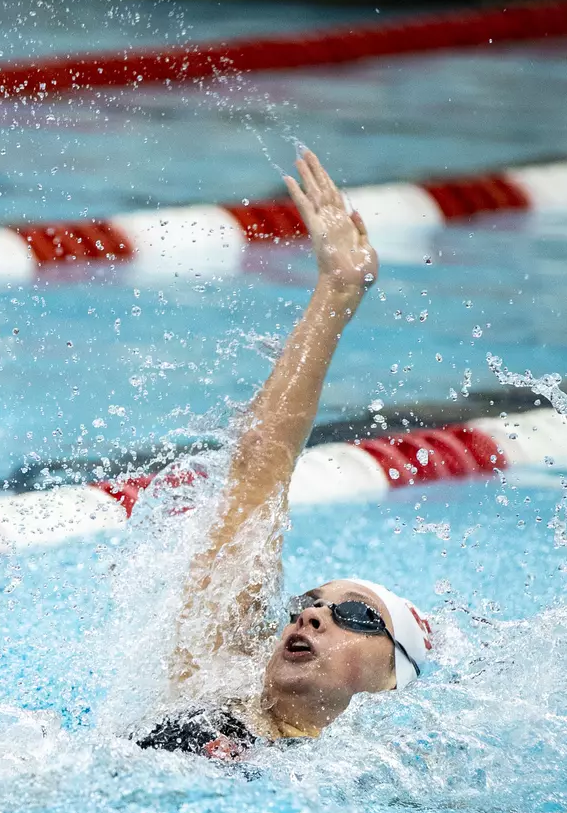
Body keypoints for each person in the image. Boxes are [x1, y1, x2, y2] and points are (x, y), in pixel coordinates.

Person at [136, 148, 434, 760]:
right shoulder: (213, 679)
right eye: (308, 606)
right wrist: (337, 291)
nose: (312, 618)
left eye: (355, 616)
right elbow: (259, 466)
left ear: (389, 679)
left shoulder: (370, 778)